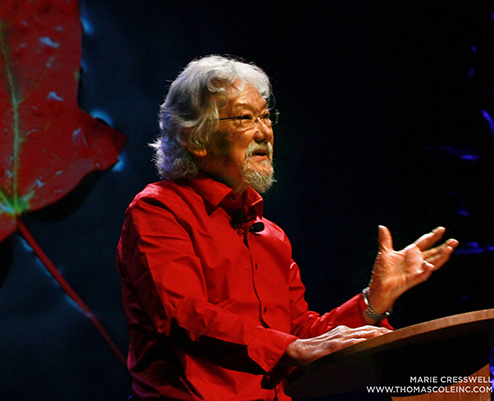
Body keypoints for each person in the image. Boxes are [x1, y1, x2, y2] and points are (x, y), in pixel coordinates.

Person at [115, 55, 459, 401]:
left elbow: (303, 335)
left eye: (266, 116)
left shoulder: (271, 235)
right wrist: (291, 347)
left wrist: (374, 300)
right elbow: (183, 316)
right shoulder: (159, 210)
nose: (264, 131)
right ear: (195, 138)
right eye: (245, 118)